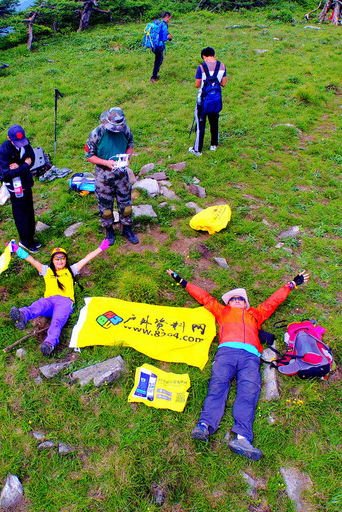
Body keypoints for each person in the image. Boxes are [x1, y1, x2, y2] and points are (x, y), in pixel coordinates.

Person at [166, 268, 310, 460]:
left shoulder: (256, 314)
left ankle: (242, 438)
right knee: (217, 385)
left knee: (248, 392)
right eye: (232, 299)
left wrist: (291, 284)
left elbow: (273, 301)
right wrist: (182, 281)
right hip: (226, 353)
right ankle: (204, 426)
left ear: (246, 303)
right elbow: (204, 297)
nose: (236, 301)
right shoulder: (222, 312)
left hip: (250, 357)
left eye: (239, 299)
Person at [10, 239, 109, 356]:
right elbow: (32, 260)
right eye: (57, 258)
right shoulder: (46, 270)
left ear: (66, 260)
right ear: (53, 260)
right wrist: (17, 250)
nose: (60, 261)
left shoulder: (71, 270)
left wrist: (100, 248)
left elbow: (86, 259)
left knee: (57, 321)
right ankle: (22, 316)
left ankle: (49, 344)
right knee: (38, 305)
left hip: (65, 302)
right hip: (49, 301)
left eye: (62, 258)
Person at [85, 107, 138, 245]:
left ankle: (126, 228)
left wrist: (126, 157)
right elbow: (89, 156)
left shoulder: (125, 130)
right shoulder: (97, 133)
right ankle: (109, 230)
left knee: (126, 204)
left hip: (121, 174)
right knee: (105, 206)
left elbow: (130, 145)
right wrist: (106, 163)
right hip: (103, 175)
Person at [0, 124, 41, 252]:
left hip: (26, 183)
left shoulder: (25, 144)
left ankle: (31, 237)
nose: (21, 145)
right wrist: (24, 166)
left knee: (29, 210)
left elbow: (31, 158)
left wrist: (20, 167)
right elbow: (7, 174)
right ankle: (25, 241)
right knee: (21, 214)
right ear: (9, 139)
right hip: (15, 187)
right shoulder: (3, 151)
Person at [190, 47, 227, 155]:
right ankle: (214, 145)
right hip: (216, 100)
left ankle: (197, 149)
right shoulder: (222, 66)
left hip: (202, 101)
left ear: (203, 56)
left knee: (200, 125)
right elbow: (223, 84)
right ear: (214, 55)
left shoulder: (201, 67)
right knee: (214, 122)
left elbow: (197, 84)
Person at [149, 12, 172, 83]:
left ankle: (155, 75)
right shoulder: (164, 25)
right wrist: (168, 37)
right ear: (167, 16)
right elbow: (164, 38)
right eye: (169, 18)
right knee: (158, 61)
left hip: (154, 45)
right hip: (159, 46)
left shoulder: (158, 23)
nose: (169, 20)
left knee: (159, 60)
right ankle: (153, 77)